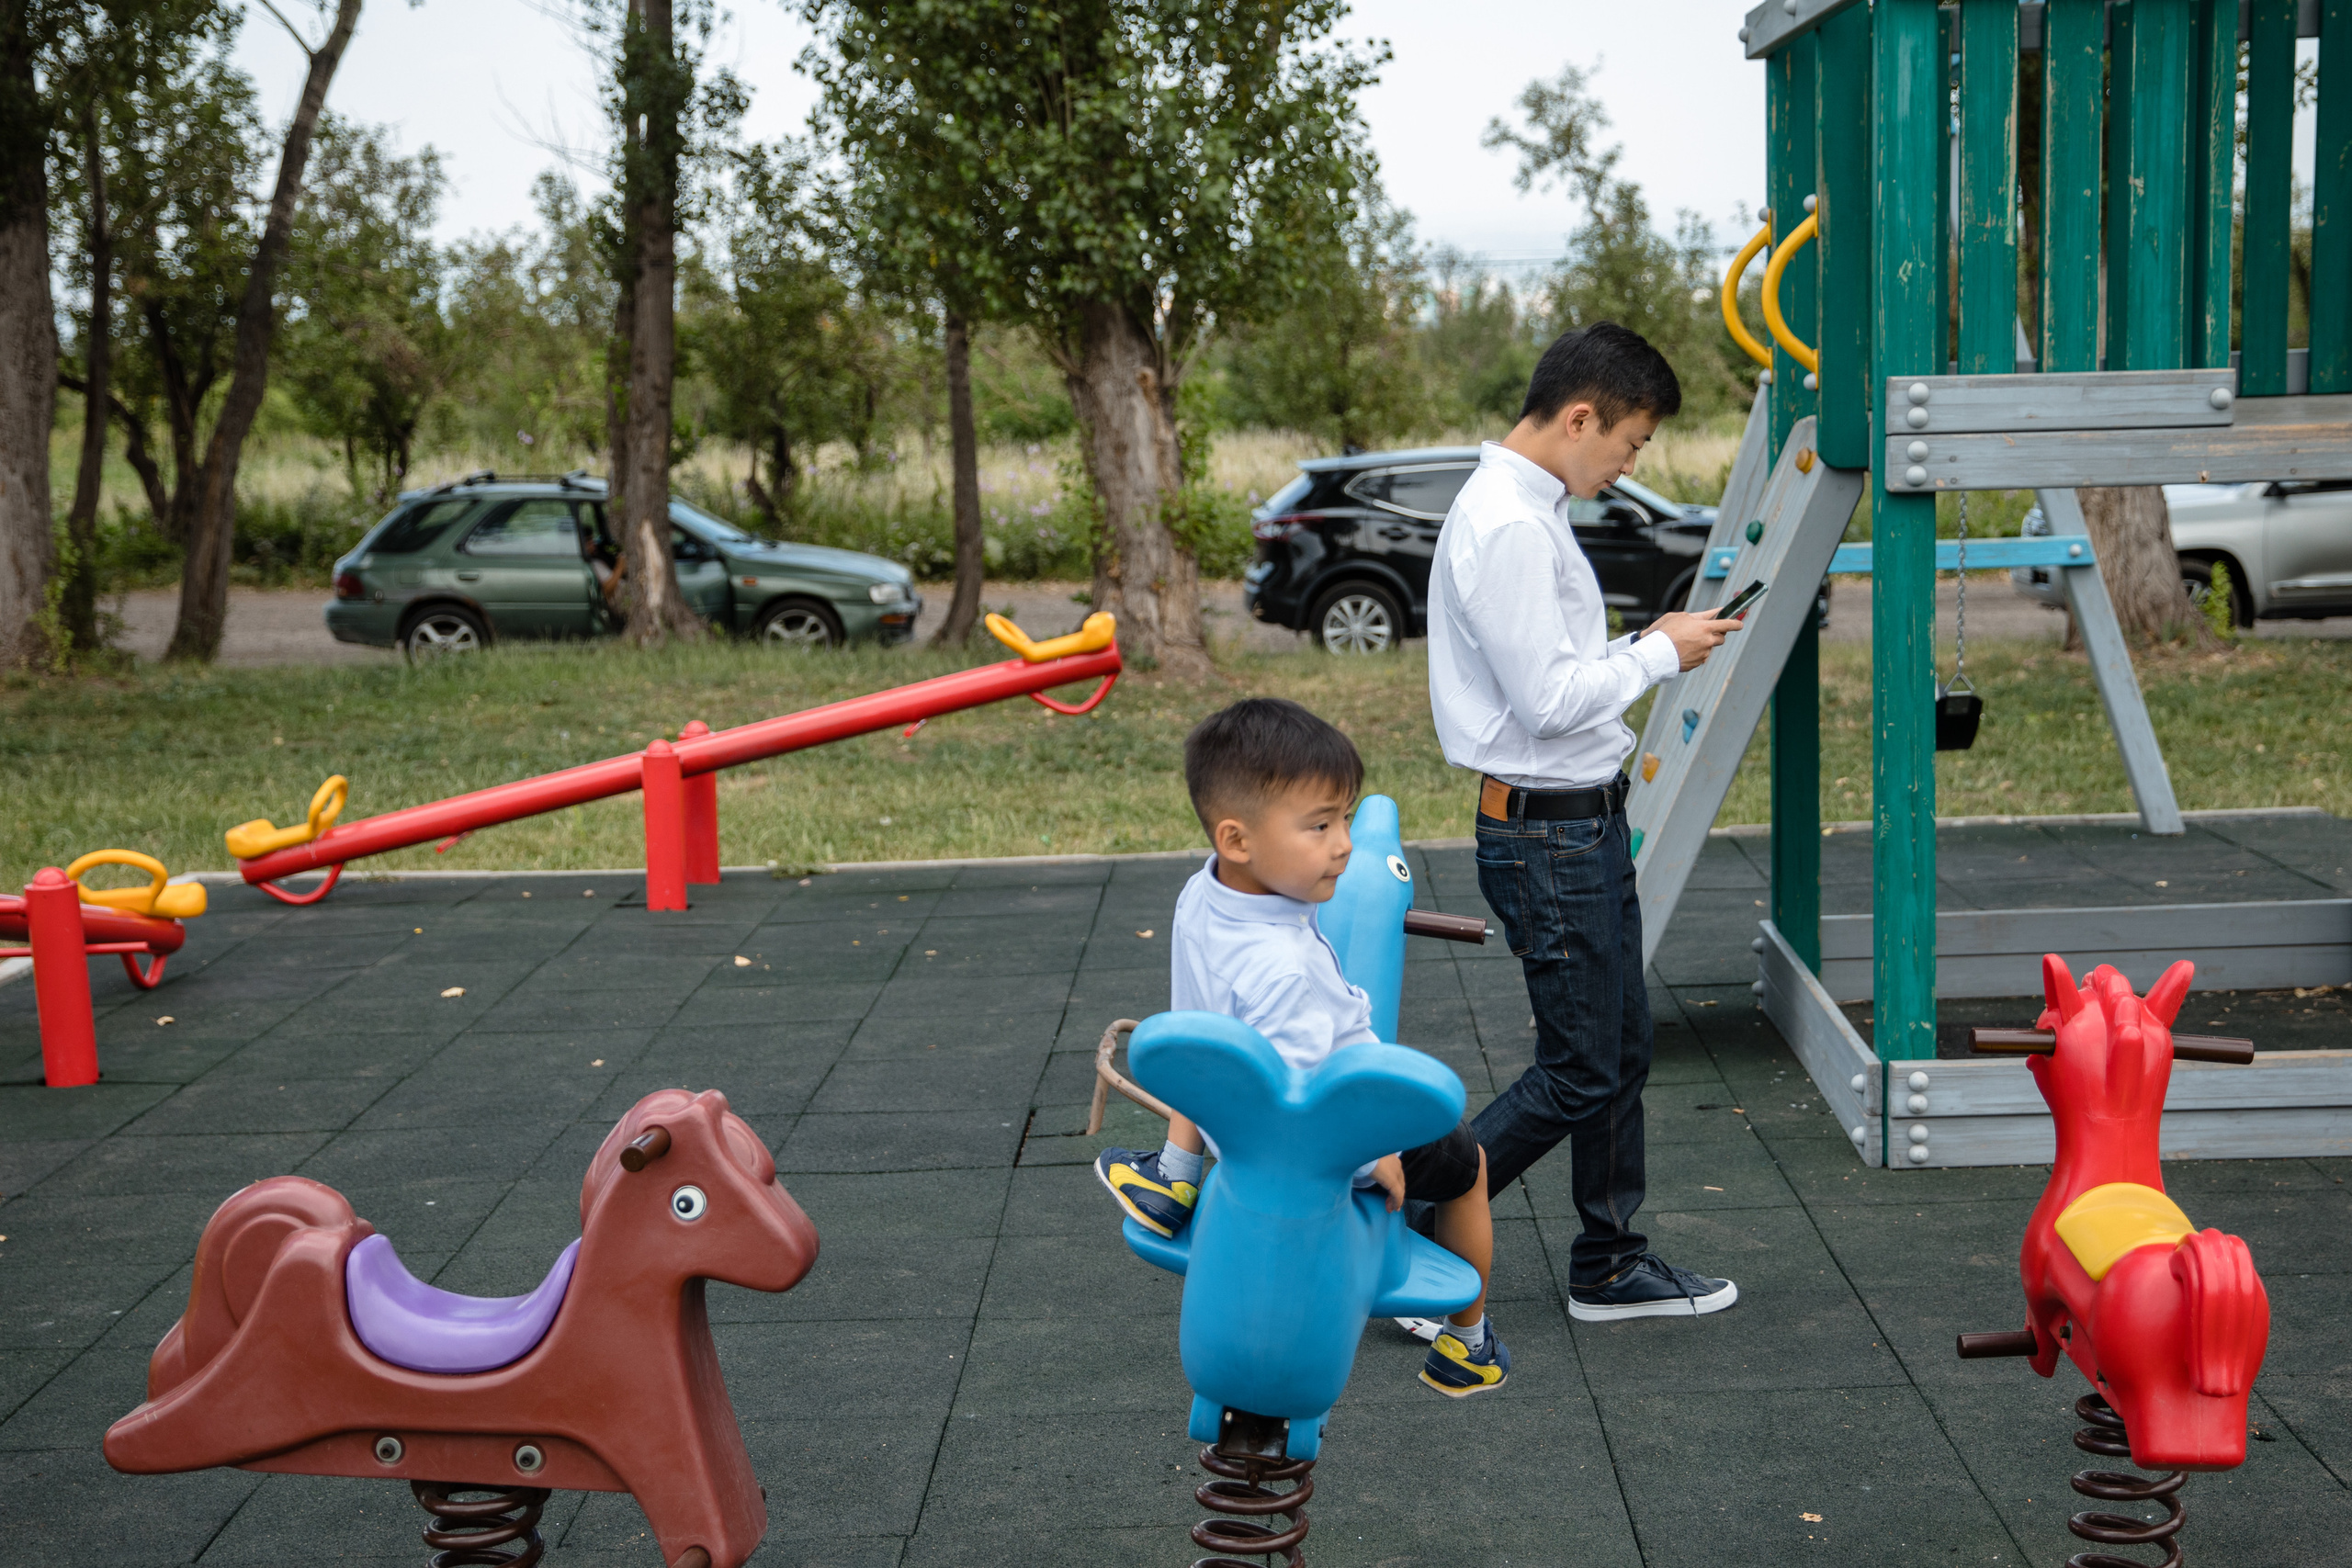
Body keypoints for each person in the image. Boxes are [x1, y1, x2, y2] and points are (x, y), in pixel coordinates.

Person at [1425, 321, 1746, 1322]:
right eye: (1632, 441)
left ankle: (1609, 1262)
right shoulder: (1513, 525)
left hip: (1574, 825)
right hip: (1547, 833)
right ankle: (1409, 1241)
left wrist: (1642, 641)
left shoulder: (1529, 507)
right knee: (1575, 1071)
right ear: (1578, 416)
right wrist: (1659, 656)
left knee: (1621, 1048)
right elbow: (1550, 703)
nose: (1631, 461)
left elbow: (1553, 670)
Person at [1094, 698, 1509, 1397]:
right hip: (1317, 1140)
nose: (1343, 843)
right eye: (1319, 825)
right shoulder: (1287, 974)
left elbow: (1212, 1024)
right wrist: (1374, 1154)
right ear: (1239, 839)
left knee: (1208, 1047)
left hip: (1222, 1114)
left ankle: (1172, 1174)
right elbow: (1316, 1100)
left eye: (1345, 819)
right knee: (1471, 1165)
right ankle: (1467, 1339)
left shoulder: (1202, 893)